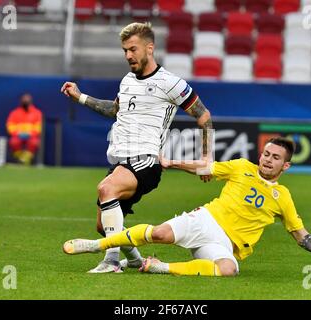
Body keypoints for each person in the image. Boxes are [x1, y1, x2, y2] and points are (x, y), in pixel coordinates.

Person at [63, 137, 311, 276]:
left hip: (225, 243)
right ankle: (98, 245)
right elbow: (205, 168)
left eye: (275, 157)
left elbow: (302, 236)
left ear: (286, 165)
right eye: (266, 153)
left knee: (228, 269)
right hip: (206, 220)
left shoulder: (283, 197)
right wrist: (173, 163)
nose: (267, 159)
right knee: (160, 234)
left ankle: (160, 267)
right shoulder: (241, 167)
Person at [60, 22, 213, 273]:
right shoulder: (128, 80)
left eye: (133, 49)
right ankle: (134, 259)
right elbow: (114, 110)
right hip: (122, 161)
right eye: (124, 50)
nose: (128, 55)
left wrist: (207, 158)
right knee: (104, 226)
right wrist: (80, 97)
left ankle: (110, 261)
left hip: (145, 160)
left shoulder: (170, 83)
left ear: (149, 48)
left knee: (106, 188)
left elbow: (203, 115)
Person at [6, 93, 43, 165]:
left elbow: (38, 128)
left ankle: (26, 159)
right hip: (17, 136)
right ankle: (20, 158)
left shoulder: (37, 113)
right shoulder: (15, 113)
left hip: (31, 136)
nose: (25, 101)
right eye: (24, 99)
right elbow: (10, 126)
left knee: (34, 142)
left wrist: (30, 134)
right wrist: (18, 133)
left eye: (27, 99)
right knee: (13, 142)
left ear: (31, 101)